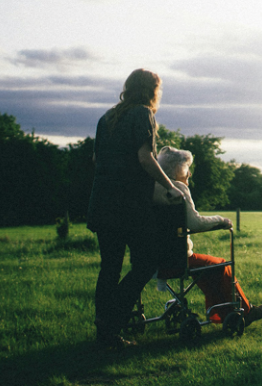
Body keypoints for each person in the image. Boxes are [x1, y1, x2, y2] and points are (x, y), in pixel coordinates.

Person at [87, 69, 183, 348]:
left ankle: (104, 331)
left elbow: (97, 158)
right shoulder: (143, 114)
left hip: (101, 202)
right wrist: (170, 186)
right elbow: (145, 158)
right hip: (128, 206)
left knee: (110, 268)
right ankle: (112, 320)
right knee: (146, 262)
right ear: (152, 91)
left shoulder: (106, 118)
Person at [153, 146, 262, 326]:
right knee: (220, 265)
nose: (189, 173)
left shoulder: (152, 188)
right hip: (177, 259)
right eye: (186, 168)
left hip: (153, 259)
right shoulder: (178, 188)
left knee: (208, 267)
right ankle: (244, 311)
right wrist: (221, 220)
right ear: (176, 169)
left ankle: (221, 314)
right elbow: (195, 223)